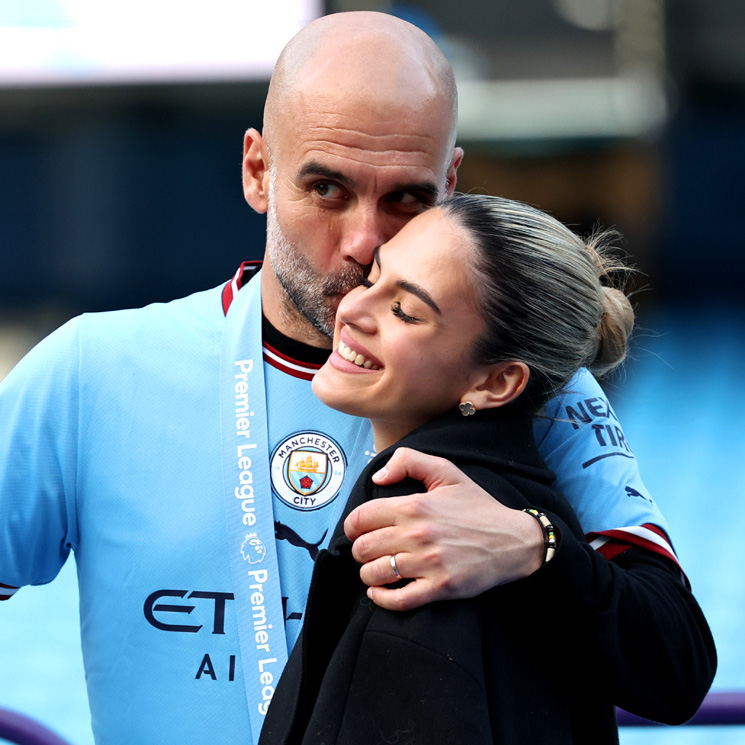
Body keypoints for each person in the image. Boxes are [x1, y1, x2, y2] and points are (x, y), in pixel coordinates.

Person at [0, 11, 707, 745]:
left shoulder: (534, 389)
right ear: (257, 171)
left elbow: (674, 662)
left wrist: (528, 546)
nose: (364, 242)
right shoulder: (91, 371)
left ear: (451, 183)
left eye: (405, 198)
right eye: (328, 189)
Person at [259, 195, 715, 744]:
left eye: (405, 310)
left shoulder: (420, 519)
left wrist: (534, 544)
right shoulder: (477, 473)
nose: (351, 309)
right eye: (373, 275)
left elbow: (678, 658)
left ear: (498, 383)